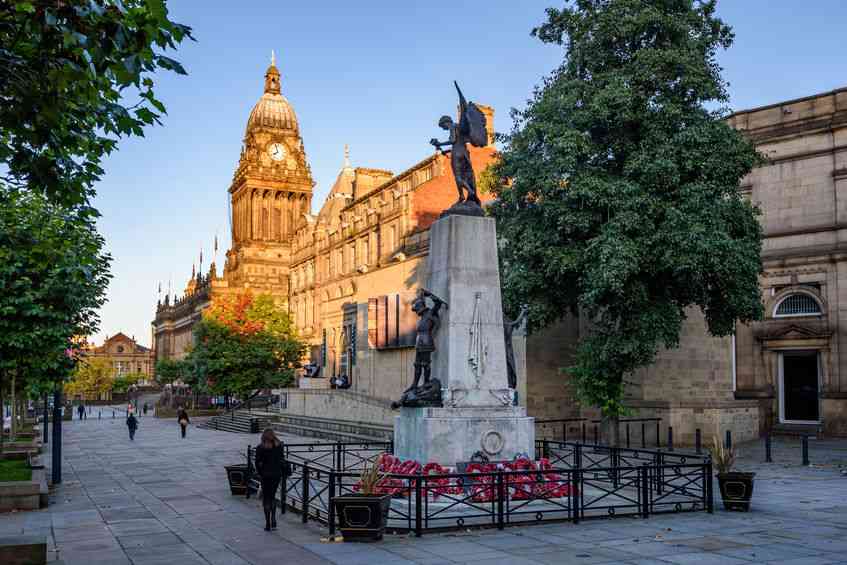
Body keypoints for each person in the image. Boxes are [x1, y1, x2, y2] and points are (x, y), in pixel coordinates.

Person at [254, 428, 284, 531]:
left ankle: (267, 524)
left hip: (265, 475)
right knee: (272, 496)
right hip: (276, 475)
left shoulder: (260, 447)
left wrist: (260, 473)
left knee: (266, 498)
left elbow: (257, 463)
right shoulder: (279, 446)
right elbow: (282, 459)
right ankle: (274, 520)